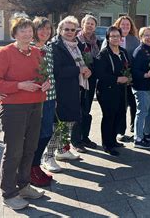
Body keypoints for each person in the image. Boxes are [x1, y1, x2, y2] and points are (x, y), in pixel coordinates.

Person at [0, 15, 49, 210]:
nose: (27, 33)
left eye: (29, 30)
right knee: (14, 150)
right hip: (14, 108)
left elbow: (43, 76)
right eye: (22, 30)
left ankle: (23, 186)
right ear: (14, 33)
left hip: (36, 104)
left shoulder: (38, 53)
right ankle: (9, 192)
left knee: (30, 147)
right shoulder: (4, 53)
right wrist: (20, 85)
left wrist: (46, 84)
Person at [50, 16, 92, 161]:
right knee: (59, 123)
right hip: (62, 90)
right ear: (60, 30)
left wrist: (87, 70)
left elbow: (83, 65)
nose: (69, 32)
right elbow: (58, 71)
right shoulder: (56, 46)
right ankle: (50, 155)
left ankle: (63, 150)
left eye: (72, 29)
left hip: (76, 88)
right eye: (66, 29)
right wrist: (78, 70)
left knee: (69, 121)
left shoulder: (77, 45)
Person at [103, 15, 140, 139]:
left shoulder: (134, 40)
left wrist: (130, 76)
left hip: (130, 78)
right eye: (123, 24)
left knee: (133, 103)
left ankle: (134, 126)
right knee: (120, 106)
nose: (125, 27)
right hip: (114, 80)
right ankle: (119, 131)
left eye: (127, 25)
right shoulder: (110, 39)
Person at [95, 26, 130, 156]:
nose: (115, 38)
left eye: (117, 36)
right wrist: (116, 79)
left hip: (121, 90)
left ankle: (113, 140)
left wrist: (128, 78)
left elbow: (128, 67)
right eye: (112, 36)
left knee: (118, 115)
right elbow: (100, 74)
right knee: (109, 117)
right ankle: (107, 144)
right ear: (108, 38)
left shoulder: (123, 52)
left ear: (121, 38)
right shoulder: (103, 54)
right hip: (107, 91)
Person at [30, 17, 56, 187]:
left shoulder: (47, 48)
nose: (45, 32)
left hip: (50, 97)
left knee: (47, 132)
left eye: (48, 29)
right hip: (36, 99)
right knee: (38, 134)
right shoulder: (30, 49)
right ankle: (31, 168)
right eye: (41, 28)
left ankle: (35, 165)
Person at [73, 14, 101, 152]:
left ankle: (85, 137)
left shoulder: (97, 42)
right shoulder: (76, 41)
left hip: (91, 80)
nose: (90, 26)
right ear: (82, 24)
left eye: (92, 24)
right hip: (79, 80)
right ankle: (76, 141)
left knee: (87, 109)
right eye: (87, 23)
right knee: (78, 110)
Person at [131, 27, 150, 150]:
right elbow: (134, 70)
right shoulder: (139, 51)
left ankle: (147, 132)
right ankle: (138, 138)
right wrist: (145, 74)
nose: (149, 37)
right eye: (146, 35)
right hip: (142, 87)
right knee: (142, 112)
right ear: (141, 37)